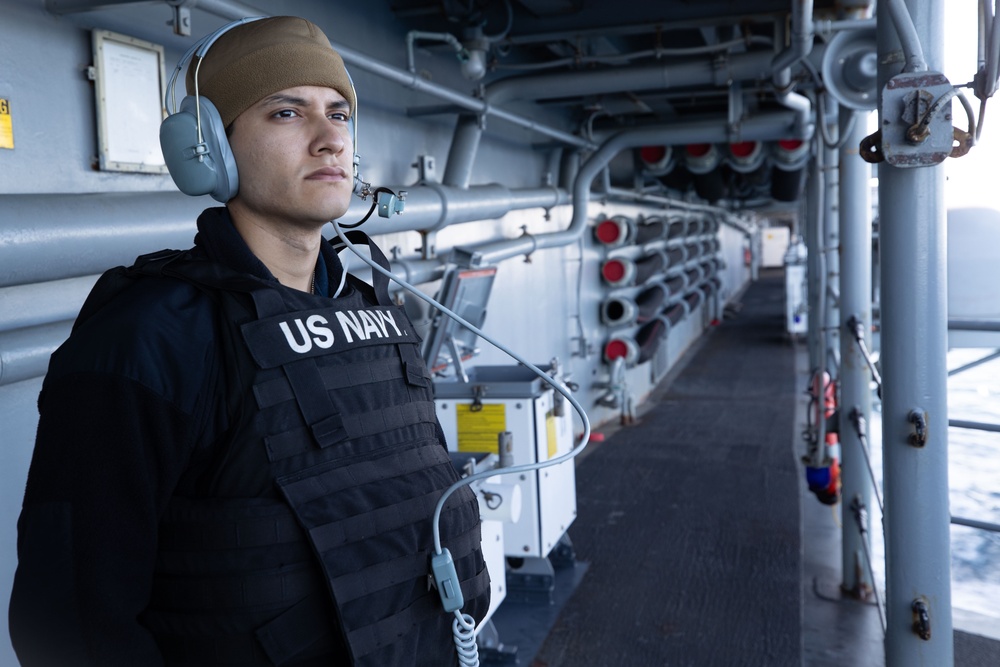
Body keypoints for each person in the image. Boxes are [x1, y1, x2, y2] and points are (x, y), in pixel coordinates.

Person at [8, 16, 490, 666]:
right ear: (208, 148)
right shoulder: (148, 336)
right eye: (287, 113)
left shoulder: (375, 306)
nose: (329, 141)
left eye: (339, 114)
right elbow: (69, 622)